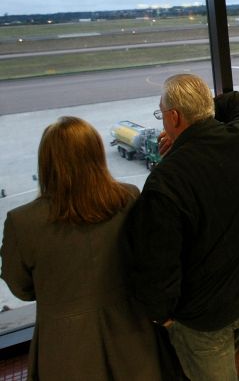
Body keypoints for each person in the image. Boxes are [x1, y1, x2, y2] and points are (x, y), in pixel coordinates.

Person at [124, 74, 239, 380]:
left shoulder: (166, 181)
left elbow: (157, 264)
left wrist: (165, 318)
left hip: (205, 317)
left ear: (174, 117)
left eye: (162, 114)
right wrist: (201, 115)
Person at [1, 117, 163, 380]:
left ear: (47, 162)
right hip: (131, 337)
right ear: (97, 156)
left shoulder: (22, 222)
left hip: (64, 350)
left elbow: (20, 288)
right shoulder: (129, 198)